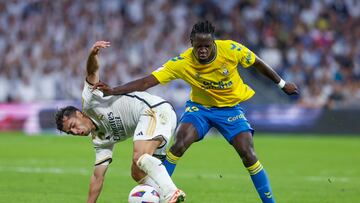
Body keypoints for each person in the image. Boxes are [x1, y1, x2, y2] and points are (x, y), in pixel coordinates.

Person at [94, 21, 299, 203]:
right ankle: (165, 194)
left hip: (230, 110)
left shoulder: (231, 49)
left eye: (206, 46)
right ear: (191, 42)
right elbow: (147, 81)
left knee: (248, 154)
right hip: (199, 109)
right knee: (180, 143)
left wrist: (281, 84)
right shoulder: (182, 63)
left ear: (214, 43)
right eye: (198, 46)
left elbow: (256, 62)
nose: (202, 50)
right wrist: (114, 90)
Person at [55, 41, 185, 203]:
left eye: (73, 126)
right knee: (137, 172)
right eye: (70, 132)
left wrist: (92, 55)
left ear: (79, 113)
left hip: (153, 110)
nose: (75, 132)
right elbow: (97, 177)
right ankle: (168, 198)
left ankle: (171, 192)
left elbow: (92, 71)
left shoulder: (90, 101)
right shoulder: (100, 140)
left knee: (140, 157)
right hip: (157, 121)